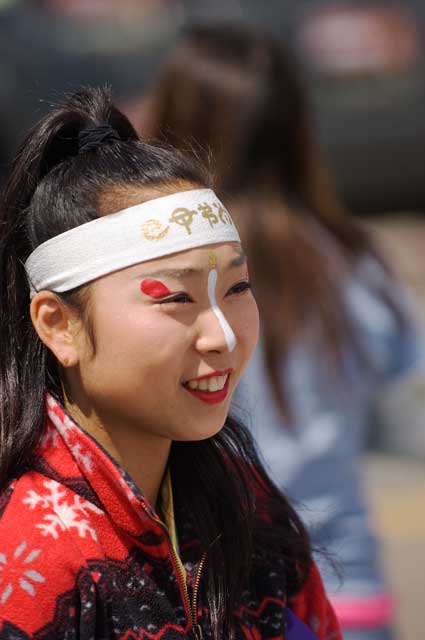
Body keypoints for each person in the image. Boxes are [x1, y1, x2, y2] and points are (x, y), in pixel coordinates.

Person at [0, 86, 341, 639]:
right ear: (59, 324)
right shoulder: (29, 559)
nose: (222, 335)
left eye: (238, 287)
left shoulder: (246, 505)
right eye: (175, 298)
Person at [142, 24, 419, 640]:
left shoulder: (153, 278)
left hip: (212, 597)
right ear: (296, 126)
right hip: (349, 592)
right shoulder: (354, 260)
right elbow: (407, 412)